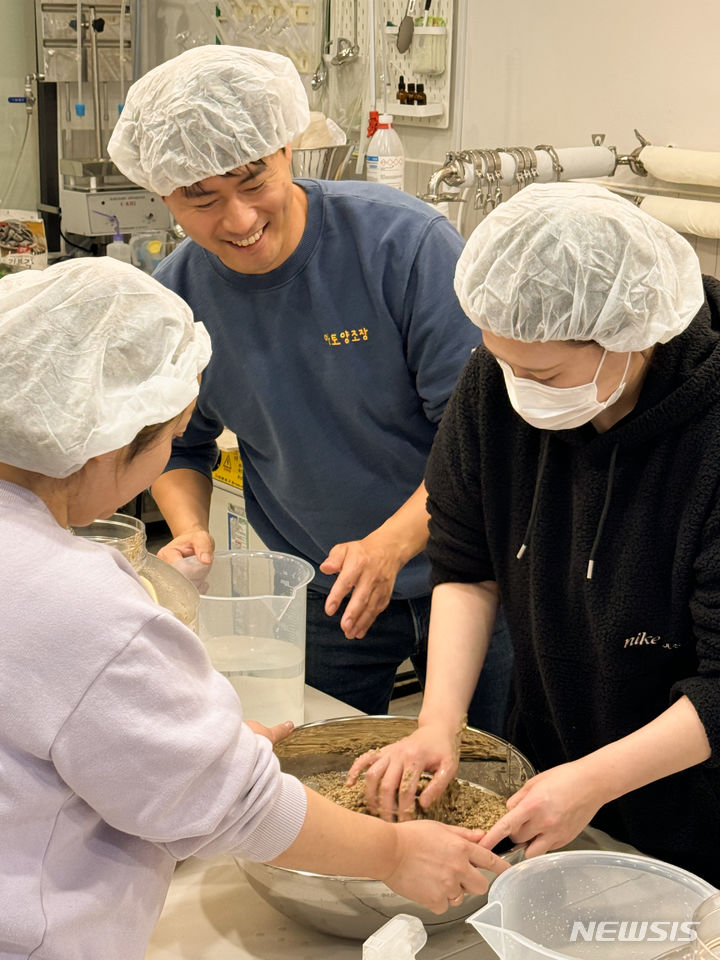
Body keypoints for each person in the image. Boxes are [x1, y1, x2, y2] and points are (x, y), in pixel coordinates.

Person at [0, 257, 508, 960]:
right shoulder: (79, 602)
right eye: (172, 439)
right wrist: (395, 852)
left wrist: (191, 737)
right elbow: (227, 804)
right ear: (109, 443)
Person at [106, 44, 513, 730]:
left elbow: (479, 438)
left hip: (472, 570)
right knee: (335, 773)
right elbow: (180, 446)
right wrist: (190, 529)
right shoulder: (177, 297)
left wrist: (390, 543)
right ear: (162, 194)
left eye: (251, 180)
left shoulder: (401, 246)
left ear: (287, 147)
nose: (237, 220)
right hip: (325, 589)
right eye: (200, 199)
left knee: (490, 770)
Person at [346, 182, 720, 885]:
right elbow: (466, 559)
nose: (517, 389)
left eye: (542, 373)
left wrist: (595, 779)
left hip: (698, 804)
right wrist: (440, 722)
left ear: (634, 336)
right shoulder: (499, 378)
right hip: (561, 753)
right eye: (502, 363)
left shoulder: (708, 437)